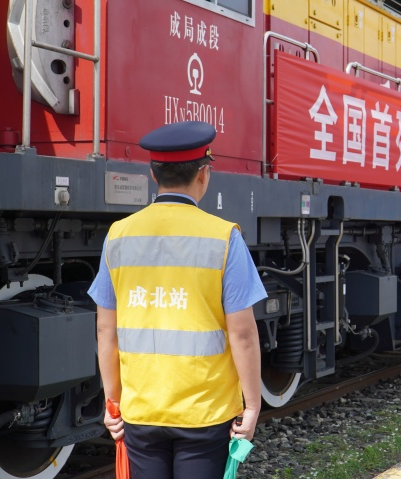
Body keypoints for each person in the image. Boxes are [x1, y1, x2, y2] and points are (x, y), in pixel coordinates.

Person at [89, 121, 266, 478]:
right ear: (203, 174)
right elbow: (243, 334)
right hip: (205, 412)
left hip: (142, 409)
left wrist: (114, 402)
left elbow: (106, 331)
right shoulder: (224, 238)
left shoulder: (118, 235)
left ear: (153, 175)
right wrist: (252, 405)